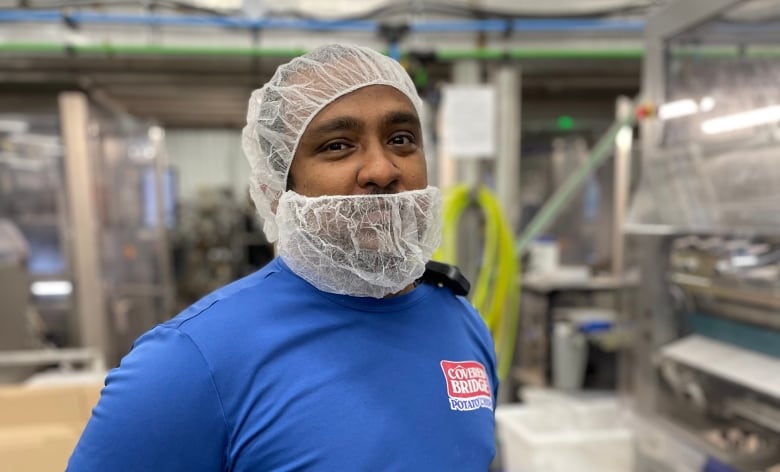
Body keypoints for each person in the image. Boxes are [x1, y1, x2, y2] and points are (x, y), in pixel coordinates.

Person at [67, 43, 498, 471]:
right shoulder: (189, 363)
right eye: (337, 146)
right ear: (277, 190)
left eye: (401, 139)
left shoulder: (461, 321)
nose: (382, 170)